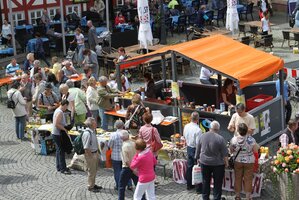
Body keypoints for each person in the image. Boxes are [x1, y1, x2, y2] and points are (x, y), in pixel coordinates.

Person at [195, 121, 228, 200]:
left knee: (205, 181)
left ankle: (205, 197)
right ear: (218, 129)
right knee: (217, 183)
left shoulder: (202, 136)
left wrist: (197, 158)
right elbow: (225, 154)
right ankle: (216, 198)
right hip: (217, 164)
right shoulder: (220, 138)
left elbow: (198, 149)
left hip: (204, 162)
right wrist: (226, 163)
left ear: (210, 128)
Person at [230, 123, 259, 200]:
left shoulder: (234, 139)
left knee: (237, 178)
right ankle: (248, 197)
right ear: (247, 131)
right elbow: (255, 150)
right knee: (248, 179)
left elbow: (231, 150)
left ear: (238, 131)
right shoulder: (251, 140)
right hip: (249, 161)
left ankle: (237, 196)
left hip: (238, 160)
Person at [108, 120, 132, 190]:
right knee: (127, 170)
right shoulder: (126, 133)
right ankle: (129, 184)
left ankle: (119, 185)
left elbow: (110, 145)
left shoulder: (113, 135)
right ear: (122, 125)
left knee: (117, 171)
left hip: (115, 156)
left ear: (115, 126)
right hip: (125, 156)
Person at [82, 117, 103, 192]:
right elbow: (86, 148)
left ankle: (93, 184)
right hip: (91, 155)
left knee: (94, 170)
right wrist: (91, 156)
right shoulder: (87, 133)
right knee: (91, 172)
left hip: (95, 153)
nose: (96, 124)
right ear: (91, 124)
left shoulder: (93, 131)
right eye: (95, 123)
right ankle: (90, 186)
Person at [183, 112, 202, 191]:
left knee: (190, 167)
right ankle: (198, 188)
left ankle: (189, 185)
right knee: (197, 168)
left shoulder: (186, 126)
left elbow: (184, 136)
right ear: (197, 119)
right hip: (195, 149)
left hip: (189, 147)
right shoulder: (198, 130)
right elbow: (198, 143)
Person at [118, 130, 140, 200]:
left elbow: (126, 161)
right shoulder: (134, 143)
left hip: (127, 168)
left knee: (121, 186)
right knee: (138, 185)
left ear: (121, 138)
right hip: (135, 166)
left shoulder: (124, 147)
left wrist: (133, 170)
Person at [52, 99, 71, 174]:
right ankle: (63, 168)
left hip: (55, 133)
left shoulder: (57, 110)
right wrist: (65, 129)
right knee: (61, 151)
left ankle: (59, 166)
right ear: (65, 105)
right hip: (58, 134)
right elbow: (57, 124)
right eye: (67, 106)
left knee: (58, 150)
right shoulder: (60, 112)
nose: (66, 108)